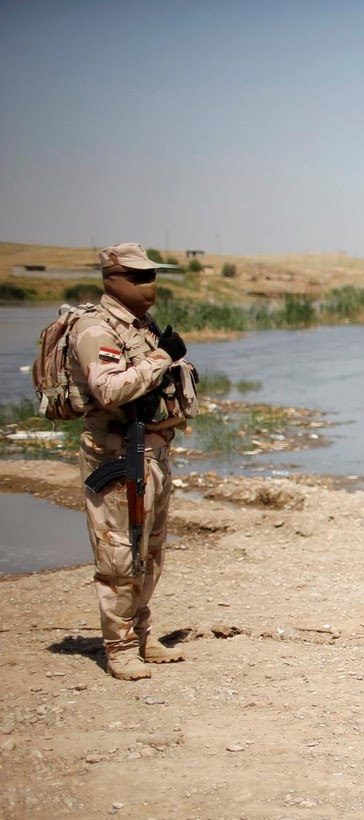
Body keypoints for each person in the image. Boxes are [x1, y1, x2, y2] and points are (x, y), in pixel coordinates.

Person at [72, 242, 192, 681]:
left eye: (152, 275)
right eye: (139, 277)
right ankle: (119, 648)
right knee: (119, 554)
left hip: (154, 450)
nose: (150, 284)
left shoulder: (143, 327)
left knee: (151, 551)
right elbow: (109, 390)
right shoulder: (95, 329)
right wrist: (163, 356)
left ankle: (142, 636)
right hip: (117, 452)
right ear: (111, 280)